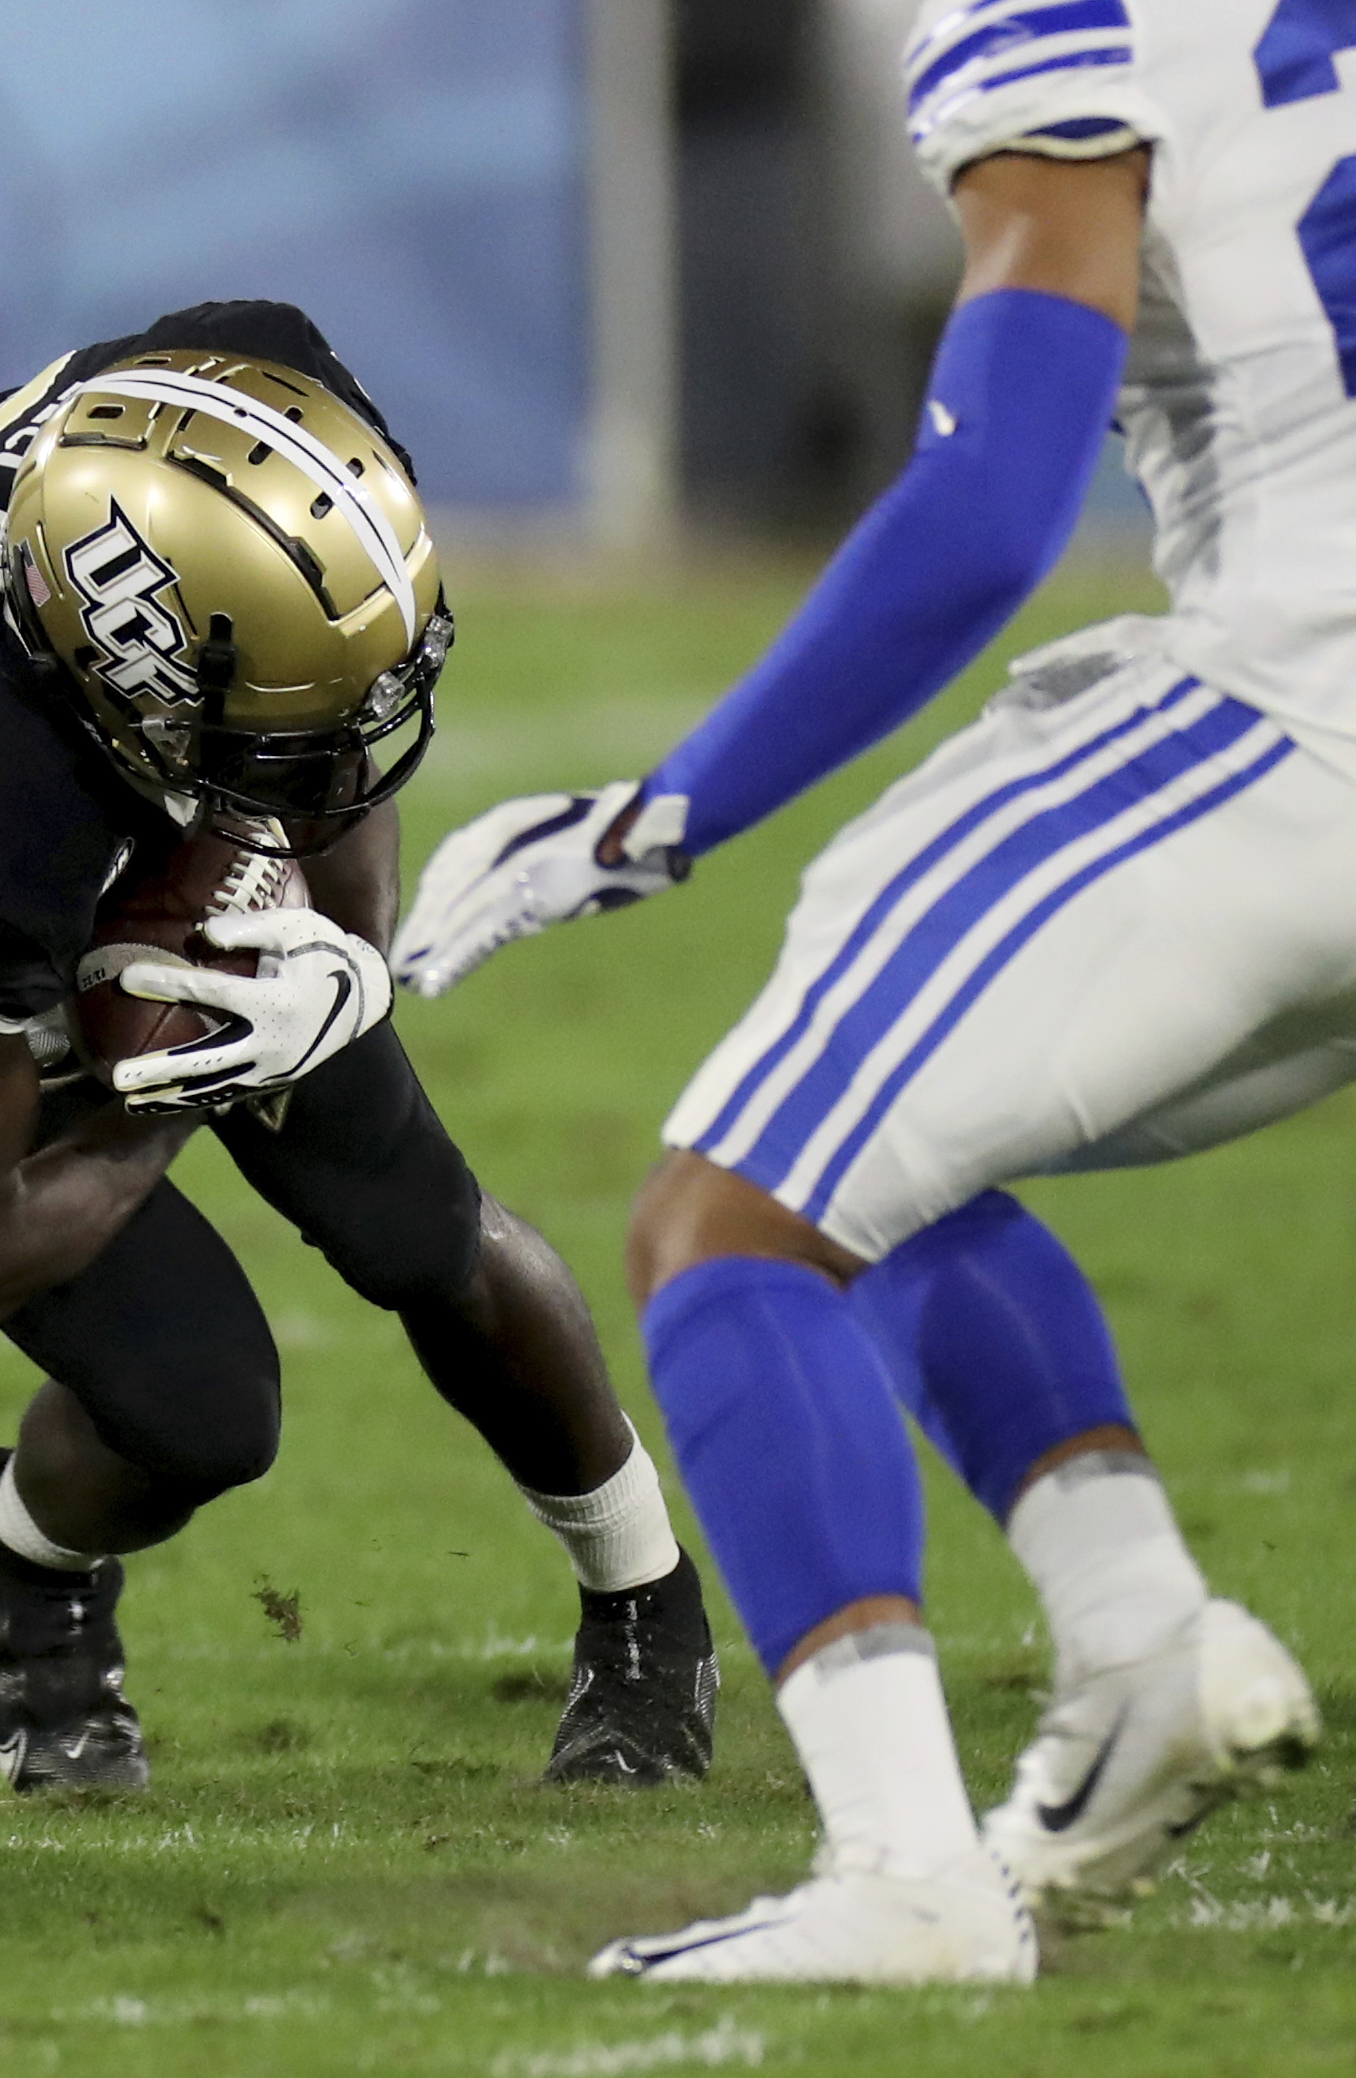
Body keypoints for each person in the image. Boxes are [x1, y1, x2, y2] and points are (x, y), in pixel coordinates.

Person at [395, 0, 1335, 1984]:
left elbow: (990, 504)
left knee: (725, 1215)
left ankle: (902, 1871)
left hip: (1304, 709)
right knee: (876, 1132)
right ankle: (1135, 1644)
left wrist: (659, 813)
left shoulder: (1050, 19)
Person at [0, 299, 721, 1795]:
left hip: (72, 721)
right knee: (198, 1405)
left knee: (416, 1224)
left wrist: (336, 973)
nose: (344, 769)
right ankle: (17, 1560)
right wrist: (183, 1085)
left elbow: (322, 747)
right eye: (276, 741)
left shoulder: (252, 405)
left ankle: (645, 1602)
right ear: (138, 695)